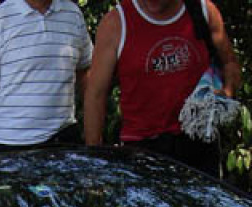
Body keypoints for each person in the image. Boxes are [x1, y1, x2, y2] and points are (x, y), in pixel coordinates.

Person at [84, 0, 241, 173]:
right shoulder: (116, 23)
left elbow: (229, 63)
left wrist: (225, 94)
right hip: (143, 148)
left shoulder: (202, 11)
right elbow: (95, 94)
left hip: (199, 139)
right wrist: (94, 161)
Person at [0, 0, 92, 155]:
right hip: (10, 143)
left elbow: (86, 74)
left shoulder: (72, 14)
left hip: (63, 138)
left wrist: (92, 138)